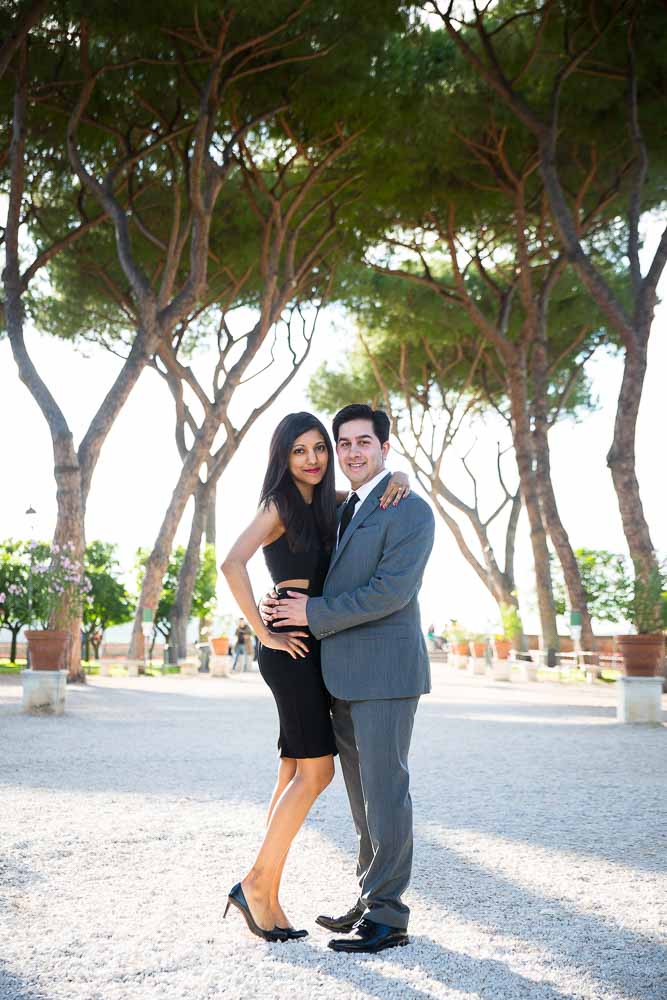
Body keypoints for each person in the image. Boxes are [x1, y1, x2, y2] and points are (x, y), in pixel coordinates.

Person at [220, 411, 410, 944]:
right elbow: (232, 563)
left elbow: (373, 493)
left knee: (290, 772)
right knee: (316, 774)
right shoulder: (279, 504)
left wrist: (401, 476)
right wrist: (264, 632)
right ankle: (255, 885)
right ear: (283, 457)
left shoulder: (329, 506)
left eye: (318, 449)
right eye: (299, 450)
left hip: (316, 648)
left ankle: (266, 892)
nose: (312, 459)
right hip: (292, 651)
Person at [263, 403, 434, 954]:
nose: (353, 451)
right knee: (362, 801)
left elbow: (390, 593)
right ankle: (370, 897)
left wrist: (308, 614)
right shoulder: (347, 507)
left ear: (385, 447)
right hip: (339, 676)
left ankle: (389, 917)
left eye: (365, 442)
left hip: (386, 676)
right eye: (345, 443)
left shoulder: (408, 509)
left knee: (387, 795)